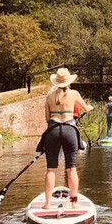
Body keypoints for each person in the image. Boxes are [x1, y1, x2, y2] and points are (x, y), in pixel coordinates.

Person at [39, 67, 92, 210]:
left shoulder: (49, 97)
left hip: (53, 131)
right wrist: (89, 108)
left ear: (56, 82)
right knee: (71, 169)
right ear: (68, 81)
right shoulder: (74, 93)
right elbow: (85, 108)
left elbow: (46, 118)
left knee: (51, 169)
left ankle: (47, 204)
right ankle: (74, 203)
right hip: (70, 130)